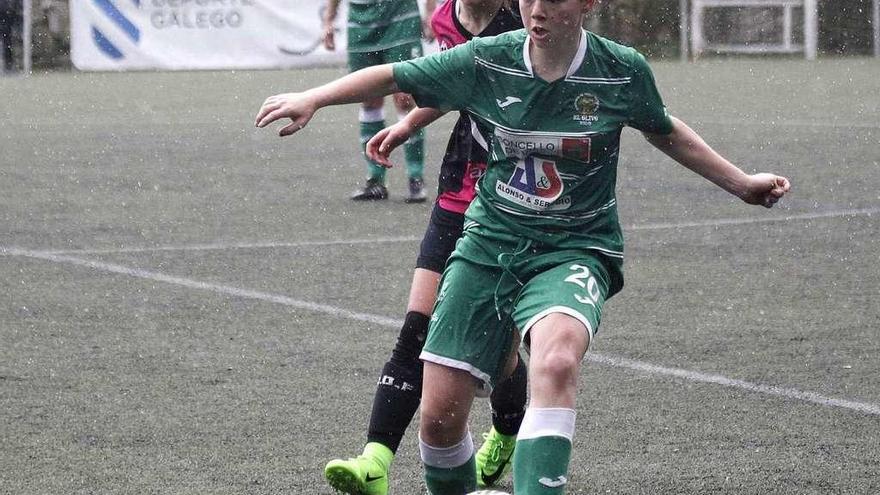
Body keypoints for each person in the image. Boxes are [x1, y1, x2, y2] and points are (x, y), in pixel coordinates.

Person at [255, 0, 791, 492]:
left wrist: (741, 183)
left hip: (576, 247)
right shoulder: (490, 58)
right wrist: (315, 97)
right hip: (490, 242)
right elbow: (397, 75)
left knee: (555, 361)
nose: (537, 10)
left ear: (587, 3)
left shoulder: (621, 69)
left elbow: (665, 129)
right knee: (439, 420)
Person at [322, 2, 526, 494]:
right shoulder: (444, 21)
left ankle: (506, 431)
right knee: (417, 327)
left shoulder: (528, 22)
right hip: (460, 186)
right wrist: (411, 122)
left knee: (500, 356)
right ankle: (375, 461)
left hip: (518, 196)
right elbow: (456, 83)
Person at [322, 0, 435, 202]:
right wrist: (329, 19)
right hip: (360, 21)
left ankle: (415, 177)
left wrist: (430, 12)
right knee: (368, 98)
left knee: (405, 98)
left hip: (399, 16)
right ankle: (375, 180)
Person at [0, 0, 22, 73]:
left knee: (7, 44)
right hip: (6, 18)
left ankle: (8, 67)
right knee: (7, 43)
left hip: (7, 20)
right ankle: (8, 66)